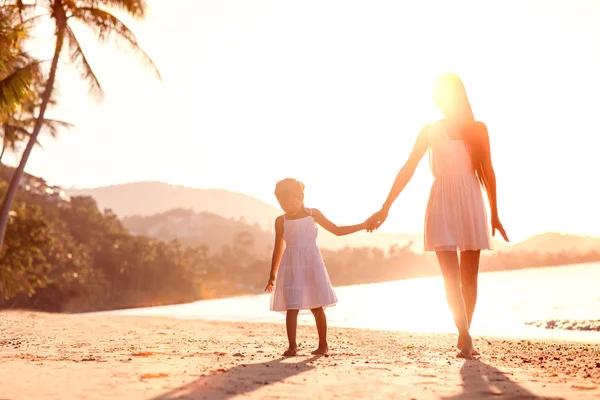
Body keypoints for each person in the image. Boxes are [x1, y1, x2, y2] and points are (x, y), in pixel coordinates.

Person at [365, 73, 509, 358]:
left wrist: (494, 213)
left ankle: (464, 332)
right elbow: (408, 168)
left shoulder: (477, 129)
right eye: (438, 94)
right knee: (449, 277)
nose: (441, 99)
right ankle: (465, 335)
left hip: (470, 198)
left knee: (469, 278)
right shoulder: (429, 130)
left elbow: (489, 171)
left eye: (446, 93)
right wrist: (386, 206)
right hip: (441, 200)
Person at [265, 178, 366, 357]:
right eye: (283, 204)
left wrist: (363, 225)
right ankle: (292, 346)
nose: (288, 207)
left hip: (312, 263)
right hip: (291, 265)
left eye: (292, 202)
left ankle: (323, 344)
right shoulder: (280, 221)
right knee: (292, 306)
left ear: (301, 197)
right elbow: (277, 248)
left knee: (317, 306)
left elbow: (337, 230)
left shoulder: (313, 214)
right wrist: (272, 275)